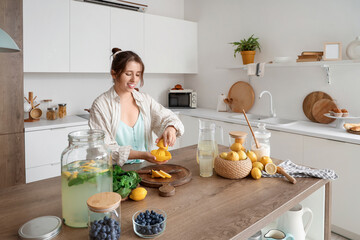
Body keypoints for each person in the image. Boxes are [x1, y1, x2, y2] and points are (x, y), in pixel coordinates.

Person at [89, 48, 184, 166]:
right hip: (112, 172)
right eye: (128, 74)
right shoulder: (100, 105)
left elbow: (169, 117)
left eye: (138, 74)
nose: (134, 79)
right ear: (114, 73)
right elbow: (103, 148)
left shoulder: (145, 100)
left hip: (144, 169)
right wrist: (142, 155)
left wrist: (171, 128)